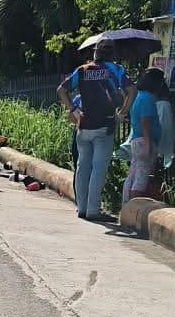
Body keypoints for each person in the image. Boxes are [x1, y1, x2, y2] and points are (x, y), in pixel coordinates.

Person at [59, 40, 131, 221]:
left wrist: (74, 111)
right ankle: (93, 210)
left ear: (95, 53)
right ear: (112, 53)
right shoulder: (116, 70)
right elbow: (132, 91)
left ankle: (81, 209)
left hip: (83, 125)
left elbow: (62, 90)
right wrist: (122, 113)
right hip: (104, 126)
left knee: (82, 166)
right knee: (98, 168)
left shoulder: (82, 70)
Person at [122, 68, 162, 205]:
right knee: (141, 176)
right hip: (144, 140)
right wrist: (149, 143)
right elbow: (145, 121)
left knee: (133, 173)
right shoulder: (147, 98)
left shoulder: (138, 96)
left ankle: (126, 204)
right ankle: (134, 206)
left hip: (137, 140)